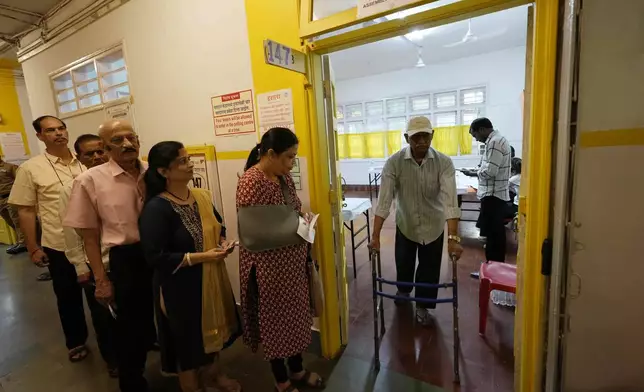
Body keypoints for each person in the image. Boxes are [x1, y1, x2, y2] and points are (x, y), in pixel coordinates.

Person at [139, 141, 241, 392]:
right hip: (179, 287)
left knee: (213, 331)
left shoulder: (200, 196)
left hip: (211, 277)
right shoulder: (156, 208)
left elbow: (217, 226)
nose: (190, 164)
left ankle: (214, 376)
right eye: (183, 161)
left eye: (188, 159)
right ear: (164, 172)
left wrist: (222, 243)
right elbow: (156, 257)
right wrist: (204, 257)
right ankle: (192, 387)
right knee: (187, 341)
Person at [64, 120, 155, 392]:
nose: (127, 144)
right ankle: (133, 382)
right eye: (117, 140)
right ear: (104, 147)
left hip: (160, 253)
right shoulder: (89, 180)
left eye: (131, 137)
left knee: (162, 319)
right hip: (125, 259)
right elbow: (88, 237)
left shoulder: (152, 173)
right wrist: (101, 280)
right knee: (129, 330)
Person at [237, 127, 324, 392]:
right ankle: (281, 379)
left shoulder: (284, 179)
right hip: (268, 272)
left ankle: (296, 369)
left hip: (293, 268)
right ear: (271, 154)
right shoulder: (251, 182)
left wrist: (304, 222)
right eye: (288, 157)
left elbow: (292, 214)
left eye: (295, 157)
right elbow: (257, 234)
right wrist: (295, 226)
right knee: (275, 325)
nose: (292, 163)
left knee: (297, 320)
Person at [8, 115, 90, 362]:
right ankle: (76, 342)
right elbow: (25, 209)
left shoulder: (85, 162)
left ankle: (112, 346)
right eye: (51, 130)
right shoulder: (31, 168)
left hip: (91, 243)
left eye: (61, 128)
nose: (58, 133)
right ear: (40, 136)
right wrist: (33, 247)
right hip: (58, 244)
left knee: (99, 295)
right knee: (68, 297)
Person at [369, 116, 464, 326]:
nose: (421, 141)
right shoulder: (394, 162)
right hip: (407, 223)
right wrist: (375, 236)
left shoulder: (444, 162)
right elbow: (384, 201)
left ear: (433, 135)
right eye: (416, 137)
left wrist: (453, 238)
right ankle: (404, 290)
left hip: (433, 224)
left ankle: (423, 306)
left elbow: (450, 202)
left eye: (426, 136)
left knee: (429, 269)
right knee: (404, 262)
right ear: (406, 138)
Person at [58, 133, 118, 377]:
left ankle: (139, 346)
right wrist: (81, 269)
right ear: (79, 158)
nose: (96, 157)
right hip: (97, 263)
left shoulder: (121, 179)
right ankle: (113, 360)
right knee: (104, 316)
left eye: (100, 150)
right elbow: (71, 233)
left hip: (125, 258)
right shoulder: (72, 188)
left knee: (131, 311)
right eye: (89, 154)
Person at [466, 118, 511, 277]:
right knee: (494, 236)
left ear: (483, 129)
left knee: (494, 238)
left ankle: (492, 272)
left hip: (493, 196)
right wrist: (478, 170)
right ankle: (492, 268)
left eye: (475, 134)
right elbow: (489, 166)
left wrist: (474, 173)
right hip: (494, 195)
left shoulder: (495, 142)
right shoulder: (496, 140)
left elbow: (490, 171)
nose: (476, 139)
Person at [0, 156, 26, 254]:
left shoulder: (10, 167)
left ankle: (23, 243)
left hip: (10, 197)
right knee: (10, 221)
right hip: (0, 200)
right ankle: (21, 240)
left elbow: (20, 181)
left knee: (17, 221)